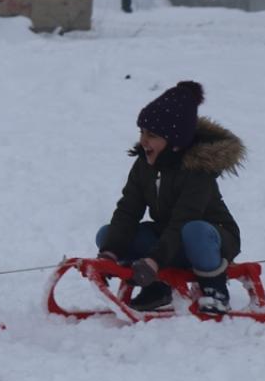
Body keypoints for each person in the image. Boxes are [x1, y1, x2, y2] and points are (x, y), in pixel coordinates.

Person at [95, 81, 244, 314]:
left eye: (151, 135)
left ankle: (214, 288)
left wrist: (153, 260)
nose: (143, 141)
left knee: (194, 230)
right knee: (108, 235)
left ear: (175, 142)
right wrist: (109, 254)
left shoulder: (198, 172)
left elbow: (184, 220)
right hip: (170, 239)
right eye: (142, 132)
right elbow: (128, 210)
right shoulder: (144, 165)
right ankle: (158, 287)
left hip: (210, 239)